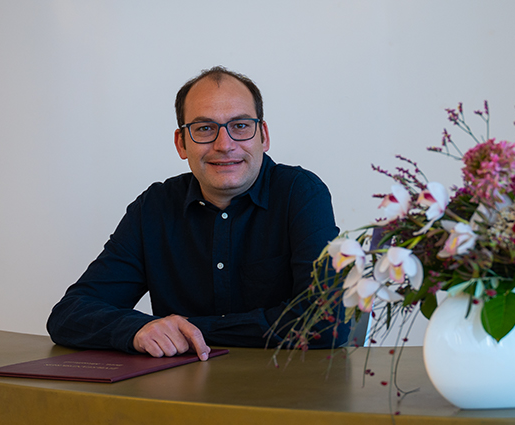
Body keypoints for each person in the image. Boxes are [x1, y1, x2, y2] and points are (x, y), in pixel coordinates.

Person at [47, 66, 349, 361]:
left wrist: (185, 329)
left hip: (287, 394)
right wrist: (138, 330)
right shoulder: (154, 208)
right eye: (204, 128)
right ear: (181, 143)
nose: (224, 144)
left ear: (263, 136)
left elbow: (326, 320)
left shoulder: (300, 193)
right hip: (183, 398)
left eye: (240, 126)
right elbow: (70, 314)